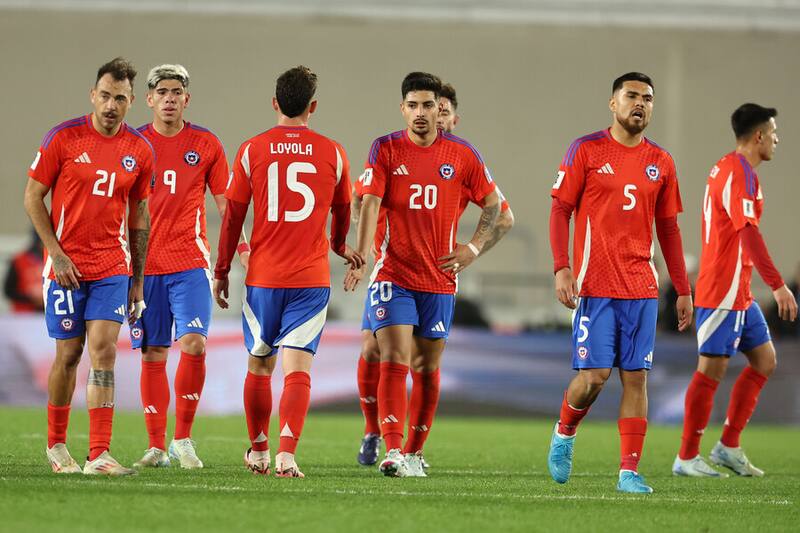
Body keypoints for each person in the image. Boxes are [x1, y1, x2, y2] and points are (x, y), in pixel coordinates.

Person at [346, 72, 500, 477]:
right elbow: (368, 200)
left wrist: (472, 248)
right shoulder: (385, 148)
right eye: (412, 105)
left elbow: (495, 207)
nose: (420, 113)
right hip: (393, 273)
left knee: (427, 368)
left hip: (438, 280)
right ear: (402, 109)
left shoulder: (463, 155)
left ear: (440, 111)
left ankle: (414, 452)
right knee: (389, 356)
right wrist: (363, 254)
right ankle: (391, 448)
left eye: (427, 105)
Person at [547, 72, 692, 493]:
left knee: (636, 377)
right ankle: (565, 432)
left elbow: (669, 228)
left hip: (642, 287)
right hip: (594, 285)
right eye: (631, 96)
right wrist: (562, 267)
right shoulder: (586, 149)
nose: (640, 104)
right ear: (613, 103)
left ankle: (628, 471)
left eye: (647, 98)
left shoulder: (661, 161)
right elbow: (561, 211)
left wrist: (682, 289)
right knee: (594, 377)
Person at [213, 66, 362, 478]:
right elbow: (344, 210)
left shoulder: (251, 149)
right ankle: (286, 456)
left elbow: (232, 217)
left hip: (263, 276)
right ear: (312, 107)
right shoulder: (333, 152)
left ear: (275, 103)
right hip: (310, 279)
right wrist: (337, 246)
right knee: (298, 370)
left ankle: (258, 451)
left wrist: (222, 269)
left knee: (259, 363)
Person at [23, 57, 153, 475]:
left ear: (131, 101)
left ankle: (99, 454)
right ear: (92, 95)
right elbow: (32, 197)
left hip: (112, 266)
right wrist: (55, 253)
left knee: (103, 352)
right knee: (69, 353)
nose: (111, 105)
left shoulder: (139, 150)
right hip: (65, 268)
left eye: (120, 98)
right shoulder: (63, 137)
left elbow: (140, 217)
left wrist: (137, 280)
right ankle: (57, 446)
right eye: (105, 95)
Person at [130, 64, 248, 470]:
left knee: (194, 343)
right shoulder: (133, 143)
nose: (169, 98)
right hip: (143, 268)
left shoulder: (207, 144)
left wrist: (238, 250)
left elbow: (225, 205)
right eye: (161, 91)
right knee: (153, 353)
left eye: (176, 91)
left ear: (186, 98)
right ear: (148, 99)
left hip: (189, 262)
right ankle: (155, 446)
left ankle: (182, 439)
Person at [673, 103, 797, 478]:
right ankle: (686, 456)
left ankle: (728, 445)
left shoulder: (731, 168)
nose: (777, 139)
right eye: (773, 132)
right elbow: (747, 233)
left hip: (738, 291)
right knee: (711, 370)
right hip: (721, 290)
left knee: (765, 360)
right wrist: (778, 286)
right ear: (758, 136)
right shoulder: (738, 173)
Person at [3, 229, 45, 313]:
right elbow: (9, 291)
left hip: (49, 314)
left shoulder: (54, 262)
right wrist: (31, 299)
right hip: (24, 316)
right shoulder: (19, 260)